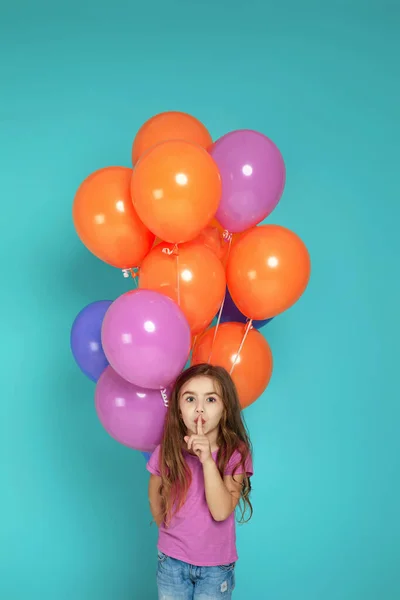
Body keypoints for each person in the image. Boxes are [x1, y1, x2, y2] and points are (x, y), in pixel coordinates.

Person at [147, 363, 253, 600]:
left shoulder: (235, 453)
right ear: (178, 409)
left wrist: (207, 460)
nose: (200, 410)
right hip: (172, 562)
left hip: (215, 568)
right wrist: (166, 529)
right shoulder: (168, 450)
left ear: (225, 409)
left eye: (211, 400)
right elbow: (155, 490)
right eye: (190, 399)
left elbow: (220, 511)